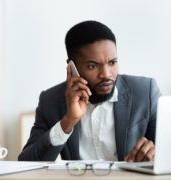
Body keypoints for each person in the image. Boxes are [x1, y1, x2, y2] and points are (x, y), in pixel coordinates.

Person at [18, 20, 161, 162]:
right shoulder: (50, 101)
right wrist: (68, 121)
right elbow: (26, 162)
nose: (106, 74)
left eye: (112, 62)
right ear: (72, 67)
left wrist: (155, 154)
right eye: (93, 66)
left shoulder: (145, 92)